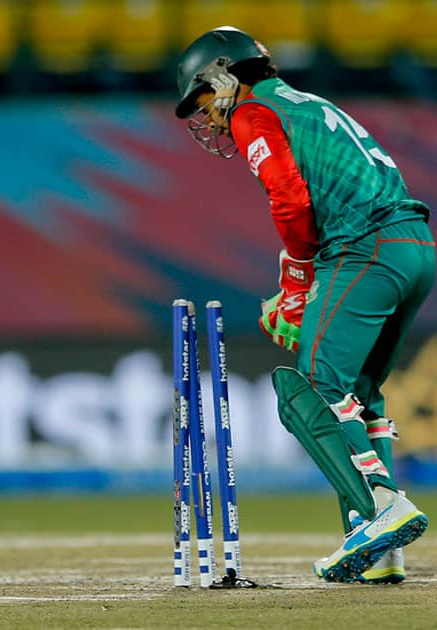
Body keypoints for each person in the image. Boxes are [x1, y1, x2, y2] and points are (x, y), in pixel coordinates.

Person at [175, 27, 433, 584]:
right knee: (359, 393)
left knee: (308, 389)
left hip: (365, 249)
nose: (211, 119)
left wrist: (296, 281)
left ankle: (383, 512)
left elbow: (289, 197)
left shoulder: (252, 111)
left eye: (205, 101)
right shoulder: (310, 102)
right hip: (414, 249)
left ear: (224, 76)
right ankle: (380, 550)